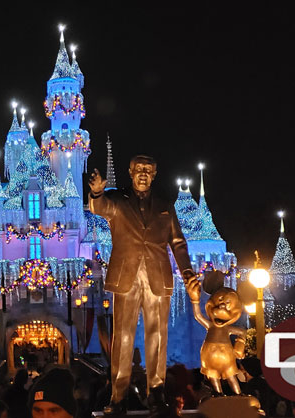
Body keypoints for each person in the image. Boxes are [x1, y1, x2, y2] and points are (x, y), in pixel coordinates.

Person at [88, 156, 199, 415]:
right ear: (130, 172)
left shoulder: (164, 207)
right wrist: (96, 191)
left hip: (157, 277)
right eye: (138, 170)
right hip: (126, 276)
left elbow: (178, 243)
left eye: (147, 170)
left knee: (157, 336)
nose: (142, 174)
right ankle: (118, 397)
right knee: (123, 338)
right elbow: (99, 206)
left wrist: (188, 273)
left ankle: (157, 393)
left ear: (155, 174)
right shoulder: (117, 201)